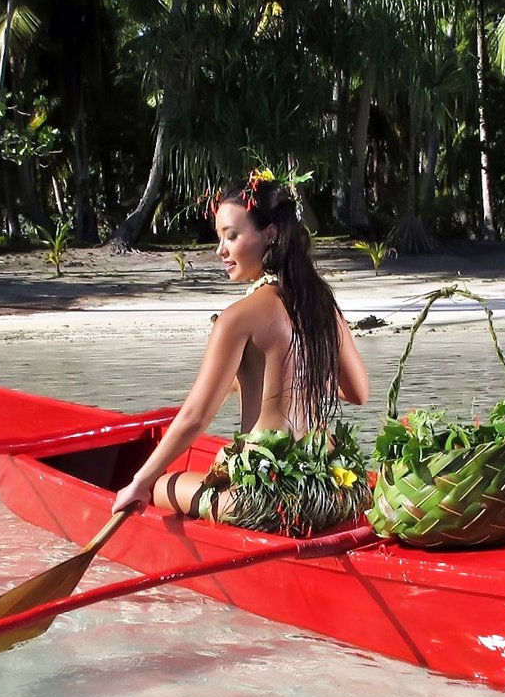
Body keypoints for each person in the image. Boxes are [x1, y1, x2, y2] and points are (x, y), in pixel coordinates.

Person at [113, 170, 370, 535]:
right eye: (220, 238)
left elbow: (194, 419)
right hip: (331, 489)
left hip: (266, 500)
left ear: (270, 234)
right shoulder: (321, 304)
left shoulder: (236, 319)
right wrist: (295, 372)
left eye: (231, 236)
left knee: (159, 486)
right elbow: (358, 392)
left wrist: (138, 482)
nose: (221, 251)